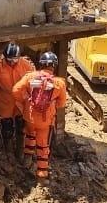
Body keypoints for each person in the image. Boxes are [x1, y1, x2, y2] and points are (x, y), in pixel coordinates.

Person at [12, 51, 67, 183]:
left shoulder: (30, 77)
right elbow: (62, 104)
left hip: (30, 116)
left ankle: (27, 159)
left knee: (30, 134)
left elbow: (15, 90)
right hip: (45, 120)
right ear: (54, 66)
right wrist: (51, 104)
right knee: (43, 146)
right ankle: (41, 175)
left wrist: (26, 100)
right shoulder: (59, 83)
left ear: (40, 64)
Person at [0, 42, 34, 156]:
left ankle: (20, 151)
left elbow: (33, 79)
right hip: (5, 101)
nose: (12, 62)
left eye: (14, 60)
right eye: (9, 59)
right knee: (7, 128)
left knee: (21, 126)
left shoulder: (25, 64)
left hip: (21, 102)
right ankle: (8, 152)